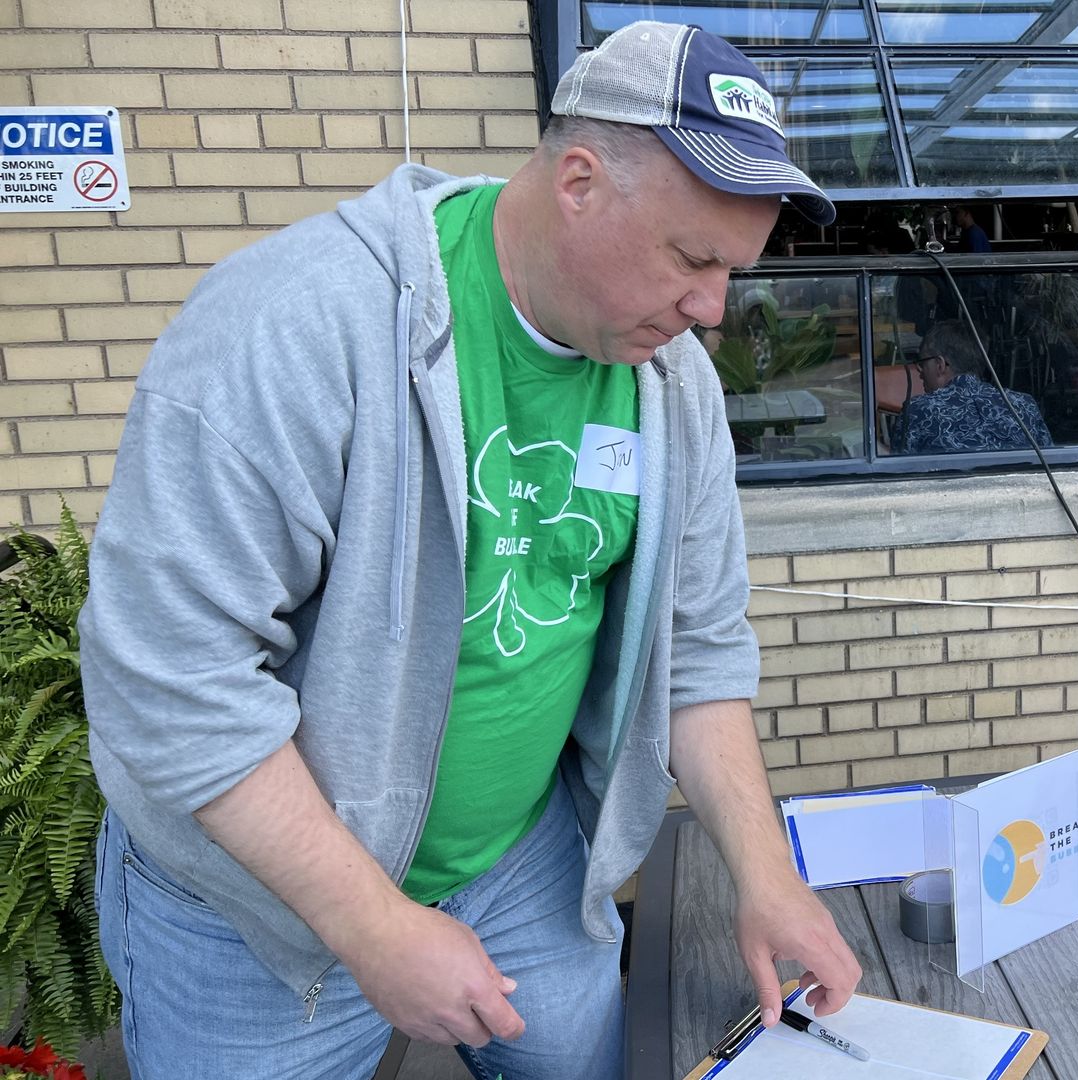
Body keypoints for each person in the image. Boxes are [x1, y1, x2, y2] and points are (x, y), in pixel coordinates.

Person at [78, 21, 861, 1080]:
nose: (711, 311)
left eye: (734, 271)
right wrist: (374, 925)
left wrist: (766, 876)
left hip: (516, 867)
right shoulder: (297, 327)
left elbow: (700, 643)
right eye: (693, 258)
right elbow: (171, 681)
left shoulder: (672, 388)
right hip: (250, 920)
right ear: (579, 179)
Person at [897, 321, 1053, 454]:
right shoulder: (1024, 404)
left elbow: (898, 475)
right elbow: (1052, 464)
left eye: (922, 363)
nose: (920, 372)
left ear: (940, 365)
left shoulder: (917, 411)